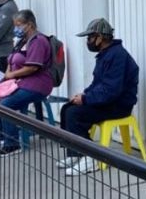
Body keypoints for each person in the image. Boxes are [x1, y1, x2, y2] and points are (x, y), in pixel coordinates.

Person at [57, 18, 139, 176]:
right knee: (68, 108)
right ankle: (75, 153)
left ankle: (90, 157)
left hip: (118, 105)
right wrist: (83, 95)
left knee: (75, 114)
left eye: (90, 38)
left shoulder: (117, 56)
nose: (88, 41)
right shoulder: (106, 55)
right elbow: (98, 84)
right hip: (108, 101)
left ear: (100, 37)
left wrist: (86, 99)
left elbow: (111, 90)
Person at [0, 10, 54, 156]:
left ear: (30, 25)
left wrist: (11, 74)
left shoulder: (38, 41)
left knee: (6, 105)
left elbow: (33, 67)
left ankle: (12, 144)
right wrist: (5, 77)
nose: (16, 29)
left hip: (37, 84)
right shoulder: (22, 41)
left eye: (19, 25)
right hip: (19, 81)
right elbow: (11, 60)